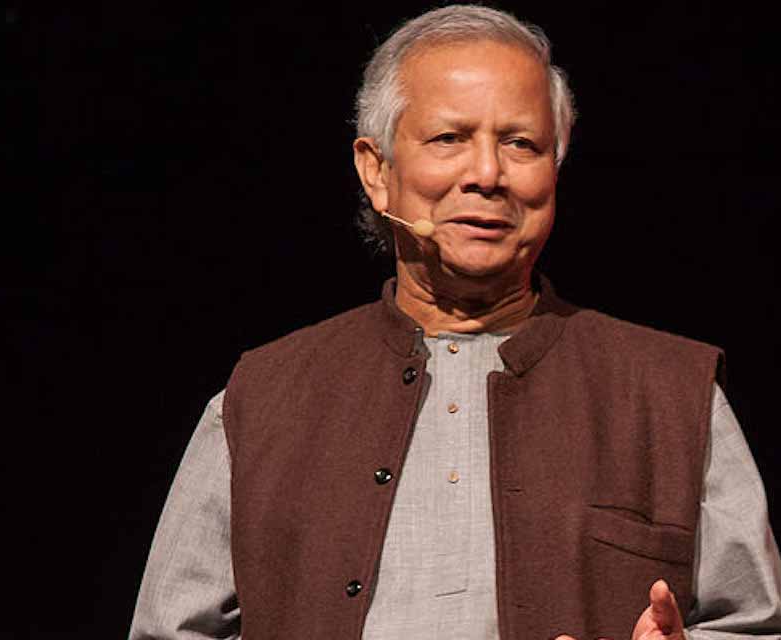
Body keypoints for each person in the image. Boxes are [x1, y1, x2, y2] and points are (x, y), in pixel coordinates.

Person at [129, 5, 781, 639]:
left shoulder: (671, 394)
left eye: (521, 144)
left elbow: (750, 626)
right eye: (449, 139)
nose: (488, 174)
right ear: (377, 171)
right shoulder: (262, 399)